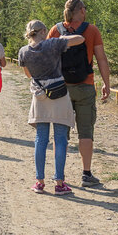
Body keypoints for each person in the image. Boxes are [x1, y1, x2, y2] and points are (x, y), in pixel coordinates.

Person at [49, 0, 112, 187]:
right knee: (86, 132)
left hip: (61, 88)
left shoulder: (55, 30)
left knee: (60, 133)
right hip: (85, 86)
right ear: (81, 11)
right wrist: (106, 84)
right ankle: (86, 174)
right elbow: (101, 59)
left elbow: (45, 57)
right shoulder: (91, 30)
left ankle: (59, 174)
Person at [19, 19, 85, 195]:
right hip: (59, 94)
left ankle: (39, 182)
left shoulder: (23, 51)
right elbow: (80, 39)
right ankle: (59, 182)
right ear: (42, 31)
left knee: (41, 138)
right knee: (60, 138)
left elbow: (28, 74)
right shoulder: (53, 44)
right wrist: (62, 36)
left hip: (39, 95)